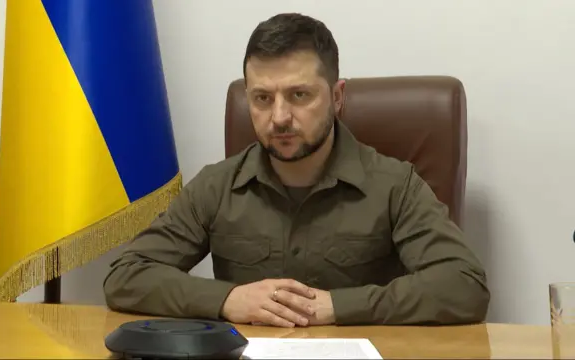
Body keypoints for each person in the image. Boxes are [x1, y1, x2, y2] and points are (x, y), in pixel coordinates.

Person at [103, 12, 490, 328]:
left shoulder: (395, 185)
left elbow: (464, 286)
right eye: (262, 98)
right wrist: (227, 299)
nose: (280, 117)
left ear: (337, 98)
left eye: (299, 95)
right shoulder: (217, 186)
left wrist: (338, 307)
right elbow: (126, 276)